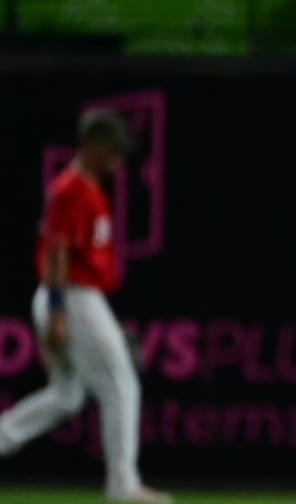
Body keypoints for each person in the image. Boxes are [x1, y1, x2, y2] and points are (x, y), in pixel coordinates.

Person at [0, 110, 172, 504]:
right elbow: (57, 251)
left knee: (67, 395)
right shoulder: (72, 187)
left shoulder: (87, 186)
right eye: (112, 150)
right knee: (120, 384)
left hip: (72, 295)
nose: (117, 159)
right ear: (93, 144)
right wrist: (58, 312)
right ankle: (122, 484)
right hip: (72, 295)